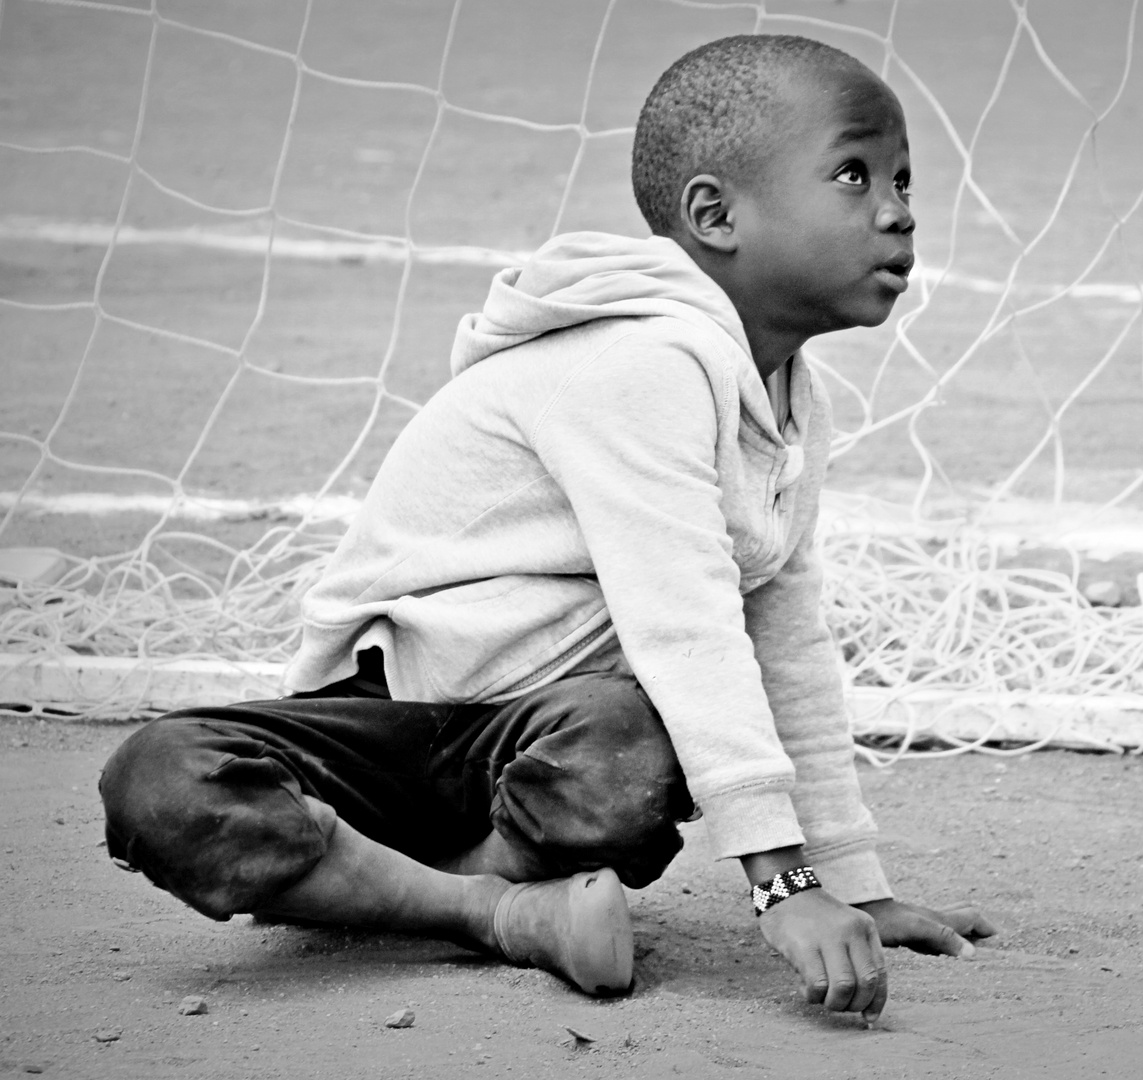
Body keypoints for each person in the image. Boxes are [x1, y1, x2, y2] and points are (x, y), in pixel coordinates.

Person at [98, 34, 994, 1025]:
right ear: (714, 213)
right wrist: (783, 887)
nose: (899, 209)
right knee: (160, 780)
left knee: (634, 755)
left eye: (905, 179)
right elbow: (683, 619)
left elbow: (783, 638)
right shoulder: (644, 363)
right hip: (393, 723)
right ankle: (489, 913)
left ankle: (409, 891)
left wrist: (851, 879)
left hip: (537, 742)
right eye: (853, 173)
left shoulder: (788, 399)